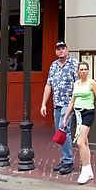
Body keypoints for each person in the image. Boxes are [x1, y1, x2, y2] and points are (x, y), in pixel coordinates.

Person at [62, 61, 96, 185]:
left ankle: (85, 170)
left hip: (88, 113)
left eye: (85, 69)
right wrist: (66, 117)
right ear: (78, 71)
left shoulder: (92, 83)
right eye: (81, 69)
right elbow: (72, 102)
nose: (83, 71)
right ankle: (89, 170)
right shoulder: (76, 84)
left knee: (80, 142)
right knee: (85, 142)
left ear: (88, 70)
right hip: (77, 114)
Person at [40, 41, 78, 175]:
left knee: (64, 130)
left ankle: (68, 161)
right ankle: (64, 157)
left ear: (67, 50)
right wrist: (44, 103)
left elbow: (78, 84)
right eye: (58, 49)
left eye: (63, 48)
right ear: (56, 52)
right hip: (57, 103)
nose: (61, 51)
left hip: (68, 104)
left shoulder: (74, 64)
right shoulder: (53, 65)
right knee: (59, 132)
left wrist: (74, 104)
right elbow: (48, 85)